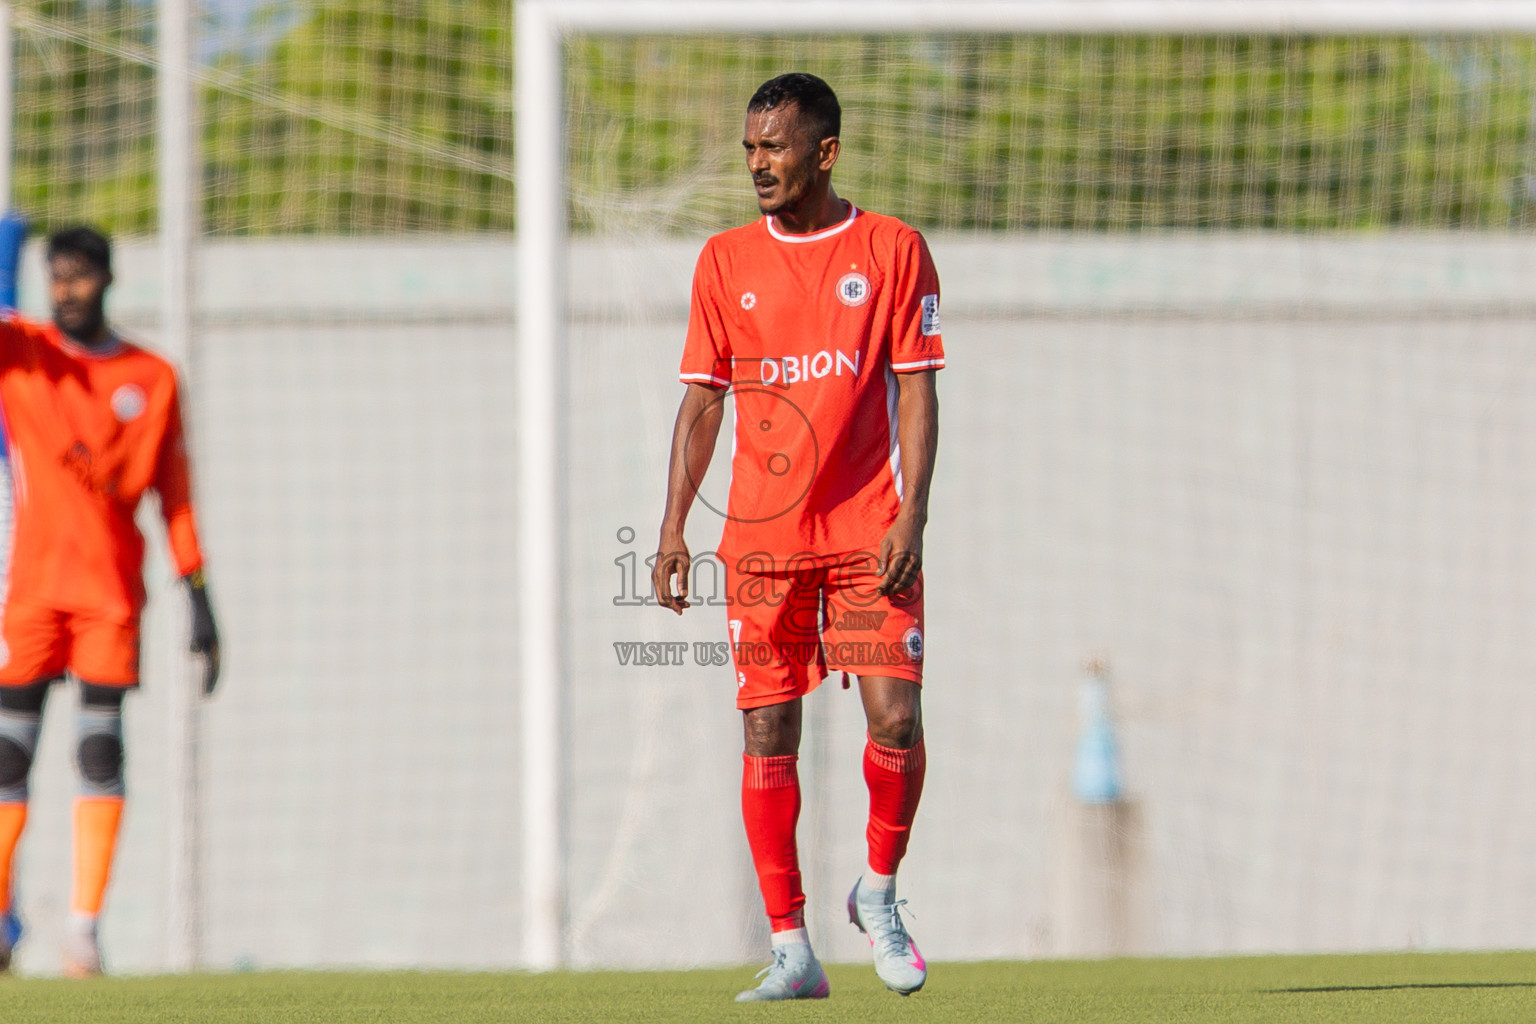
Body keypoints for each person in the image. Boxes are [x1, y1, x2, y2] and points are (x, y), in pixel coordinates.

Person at [653, 73, 943, 1001]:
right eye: (748, 148)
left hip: (866, 534)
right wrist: (672, 532)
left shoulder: (893, 250)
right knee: (767, 730)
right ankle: (791, 948)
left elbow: (919, 392)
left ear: (825, 151)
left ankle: (881, 894)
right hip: (764, 547)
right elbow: (702, 403)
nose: (756, 165)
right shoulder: (724, 261)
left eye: (772, 147)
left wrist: (913, 512)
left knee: (895, 716)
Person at [0, 225, 219, 976]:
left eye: (80, 276)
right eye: (55, 276)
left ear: (107, 278)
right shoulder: (23, 354)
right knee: (7, 754)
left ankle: (84, 931)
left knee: (99, 749)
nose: (67, 289)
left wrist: (198, 592)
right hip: (31, 594)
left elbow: (177, 495)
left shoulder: (150, 377)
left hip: (111, 598)